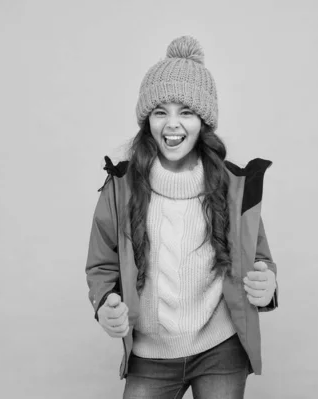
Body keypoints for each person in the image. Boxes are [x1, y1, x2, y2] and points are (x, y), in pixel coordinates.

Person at [85, 35, 278, 399]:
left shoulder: (235, 187)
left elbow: (261, 260)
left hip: (221, 350)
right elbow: (101, 267)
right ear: (148, 121)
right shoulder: (121, 187)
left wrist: (267, 288)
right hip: (150, 355)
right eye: (161, 112)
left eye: (185, 111)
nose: (172, 124)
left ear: (203, 121)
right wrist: (106, 304)